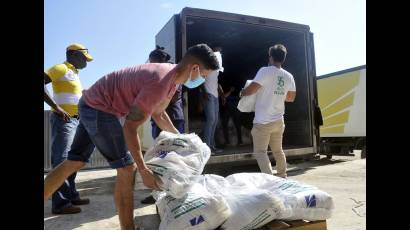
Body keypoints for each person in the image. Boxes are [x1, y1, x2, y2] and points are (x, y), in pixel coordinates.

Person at [44, 44, 220, 230]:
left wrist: (183, 141)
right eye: (205, 75)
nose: (203, 79)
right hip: (100, 107)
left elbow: (159, 114)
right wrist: (144, 170)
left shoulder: (173, 80)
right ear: (194, 68)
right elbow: (130, 127)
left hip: (92, 103)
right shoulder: (161, 82)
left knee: (75, 161)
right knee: (128, 169)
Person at [44, 43, 93, 214]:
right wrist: (56, 107)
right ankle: (60, 203)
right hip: (64, 121)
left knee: (71, 160)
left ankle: (71, 196)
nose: (86, 63)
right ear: (73, 55)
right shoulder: (61, 68)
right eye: (84, 59)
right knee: (62, 160)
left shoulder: (74, 74)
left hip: (77, 121)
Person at [240, 44, 296, 178]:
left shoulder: (264, 71)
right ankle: (282, 176)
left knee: (260, 152)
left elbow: (251, 89)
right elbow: (290, 98)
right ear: (283, 58)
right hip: (278, 121)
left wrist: (242, 92)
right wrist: (278, 94)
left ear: (271, 57)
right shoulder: (289, 76)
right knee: (278, 150)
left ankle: (271, 181)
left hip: (262, 121)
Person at [141, 46, 185, 205]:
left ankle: (165, 192)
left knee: (169, 159)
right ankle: (162, 192)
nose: (150, 66)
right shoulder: (164, 74)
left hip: (170, 120)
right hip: (161, 120)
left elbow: (172, 98)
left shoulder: (171, 74)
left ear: (159, 61)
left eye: (152, 62)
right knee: (162, 159)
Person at [200, 45, 224, 154]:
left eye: (220, 51)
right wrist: (204, 92)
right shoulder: (206, 63)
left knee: (215, 121)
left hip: (215, 95)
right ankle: (207, 148)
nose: (219, 53)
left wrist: (221, 95)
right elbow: (200, 79)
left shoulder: (217, 65)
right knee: (211, 120)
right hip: (208, 94)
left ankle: (212, 146)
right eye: (218, 50)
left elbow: (216, 81)